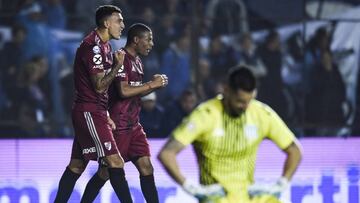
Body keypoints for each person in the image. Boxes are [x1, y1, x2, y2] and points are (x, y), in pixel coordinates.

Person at [158, 66, 302, 203]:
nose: (245, 107)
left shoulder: (261, 113)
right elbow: (166, 154)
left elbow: (295, 151)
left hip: (250, 197)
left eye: (248, 101)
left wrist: (281, 184)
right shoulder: (205, 115)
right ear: (226, 90)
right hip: (216, 199)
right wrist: (192, 188)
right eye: (240, 101)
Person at [80, 23, 168, 203]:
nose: (151, 44)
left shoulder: (137, 61)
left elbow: (135, 92)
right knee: (104, 173)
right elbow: (123, 91)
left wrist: (152, 86)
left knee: (146, 167)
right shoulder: (119, 58)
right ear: (136, 40)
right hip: (118, 126)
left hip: (134, 125)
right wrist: (152, 85)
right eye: (148, 39)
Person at [54, 5, 133, 203]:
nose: (122, 25)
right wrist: (117, 66)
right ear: (106, 23)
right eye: (119, 21)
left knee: (77, 166)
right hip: (89, 112)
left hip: (94, 111)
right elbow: (99, 86)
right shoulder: (93, 47)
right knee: (115, 162)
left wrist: (106, 114)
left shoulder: (105, 45)